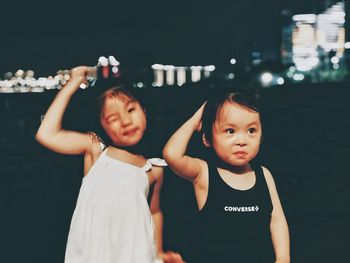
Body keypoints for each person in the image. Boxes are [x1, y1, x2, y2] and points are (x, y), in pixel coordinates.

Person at [36, 65, 184, 263]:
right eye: (113, 118)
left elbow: (155, 212)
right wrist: (72, 83)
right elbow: (46, 134)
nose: (125, 121)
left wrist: (158, 252)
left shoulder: (154, 169)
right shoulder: (96, 150)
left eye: (131, 109)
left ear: (145, 111)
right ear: (102, 127)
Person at [163, 89, 290, 263]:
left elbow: (276, 220)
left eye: (251, 130)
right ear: (207, 138)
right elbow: (171, 155)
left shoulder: (264, 175)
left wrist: (283, 258)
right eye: (230, 131)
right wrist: (195, 120)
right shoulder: (204, 173)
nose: (242, 141)